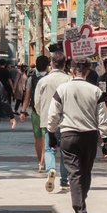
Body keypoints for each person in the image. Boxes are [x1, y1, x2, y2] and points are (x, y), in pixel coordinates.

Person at [46, 58, 107, 213]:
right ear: (88, 71)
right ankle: (82, 200)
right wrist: (106, 141)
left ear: (72, 71)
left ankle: (80, 210)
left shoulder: (62, 89)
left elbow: (53, 114)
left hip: (68, 135)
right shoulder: (96, 91)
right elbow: (102, 118)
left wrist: (51, 134)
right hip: (89, 136)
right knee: (86, 171)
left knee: (74, 173)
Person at [35, 52, 72, 192]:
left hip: (48, 119)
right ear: (64, 64)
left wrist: (42, 114)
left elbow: (37, 102)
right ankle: (64, 181)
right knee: (64, 151)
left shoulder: (43, 80)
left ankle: (51, 169)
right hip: (65, 120)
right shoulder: (69, 80)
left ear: (51, 63)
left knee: (50, 149)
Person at [24, 55, 50, 173]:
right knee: (46, 137)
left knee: (38, 138)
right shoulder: (51, 77)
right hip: (50, 111)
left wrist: (23, 111)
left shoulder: (31, 78)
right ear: (47, 65)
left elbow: (27, 95)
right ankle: (44, 161)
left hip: (36, 111)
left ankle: (40, 161)